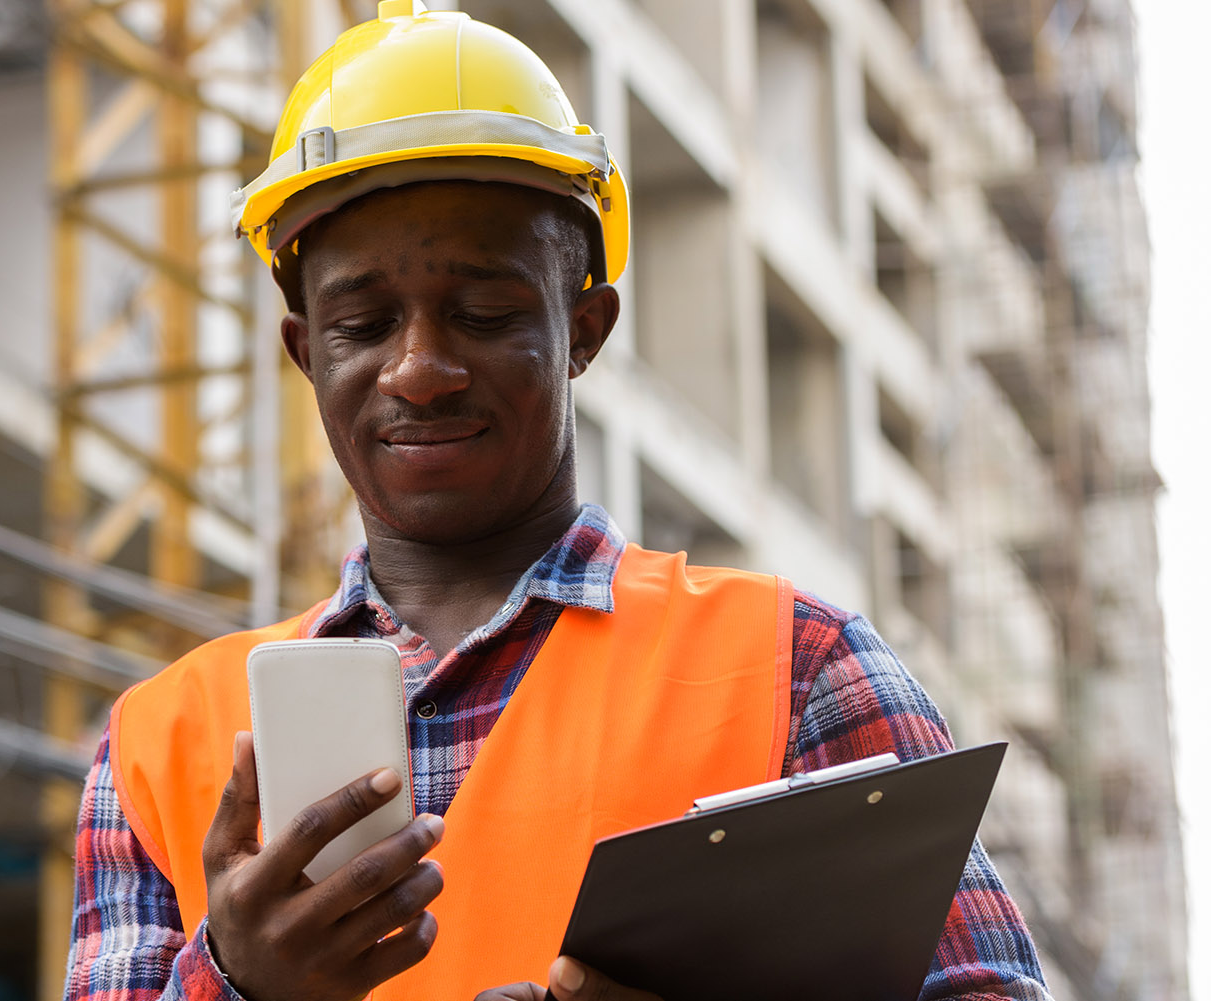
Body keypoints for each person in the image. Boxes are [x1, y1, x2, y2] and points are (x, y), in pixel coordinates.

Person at [64, 3, 1051, 1000]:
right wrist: (233, 982)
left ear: (584, 329)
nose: (420, 368)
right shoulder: (162, 743)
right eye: (362, 323)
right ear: (304, 354)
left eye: (485, 313)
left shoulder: (798, 668)